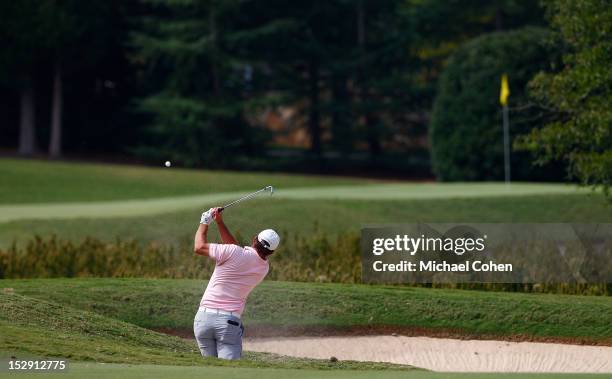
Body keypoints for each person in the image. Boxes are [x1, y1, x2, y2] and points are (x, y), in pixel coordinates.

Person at [193, 207, 280, 360]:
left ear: (254, 239)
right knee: (228, 372)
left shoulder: (234, 252)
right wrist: (220, 222)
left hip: (203, 319)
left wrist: (204, 221)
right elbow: (235, 249)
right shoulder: (263, 268)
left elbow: (199, 247)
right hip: (228, 324)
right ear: (271, 252)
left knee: (209, 370)